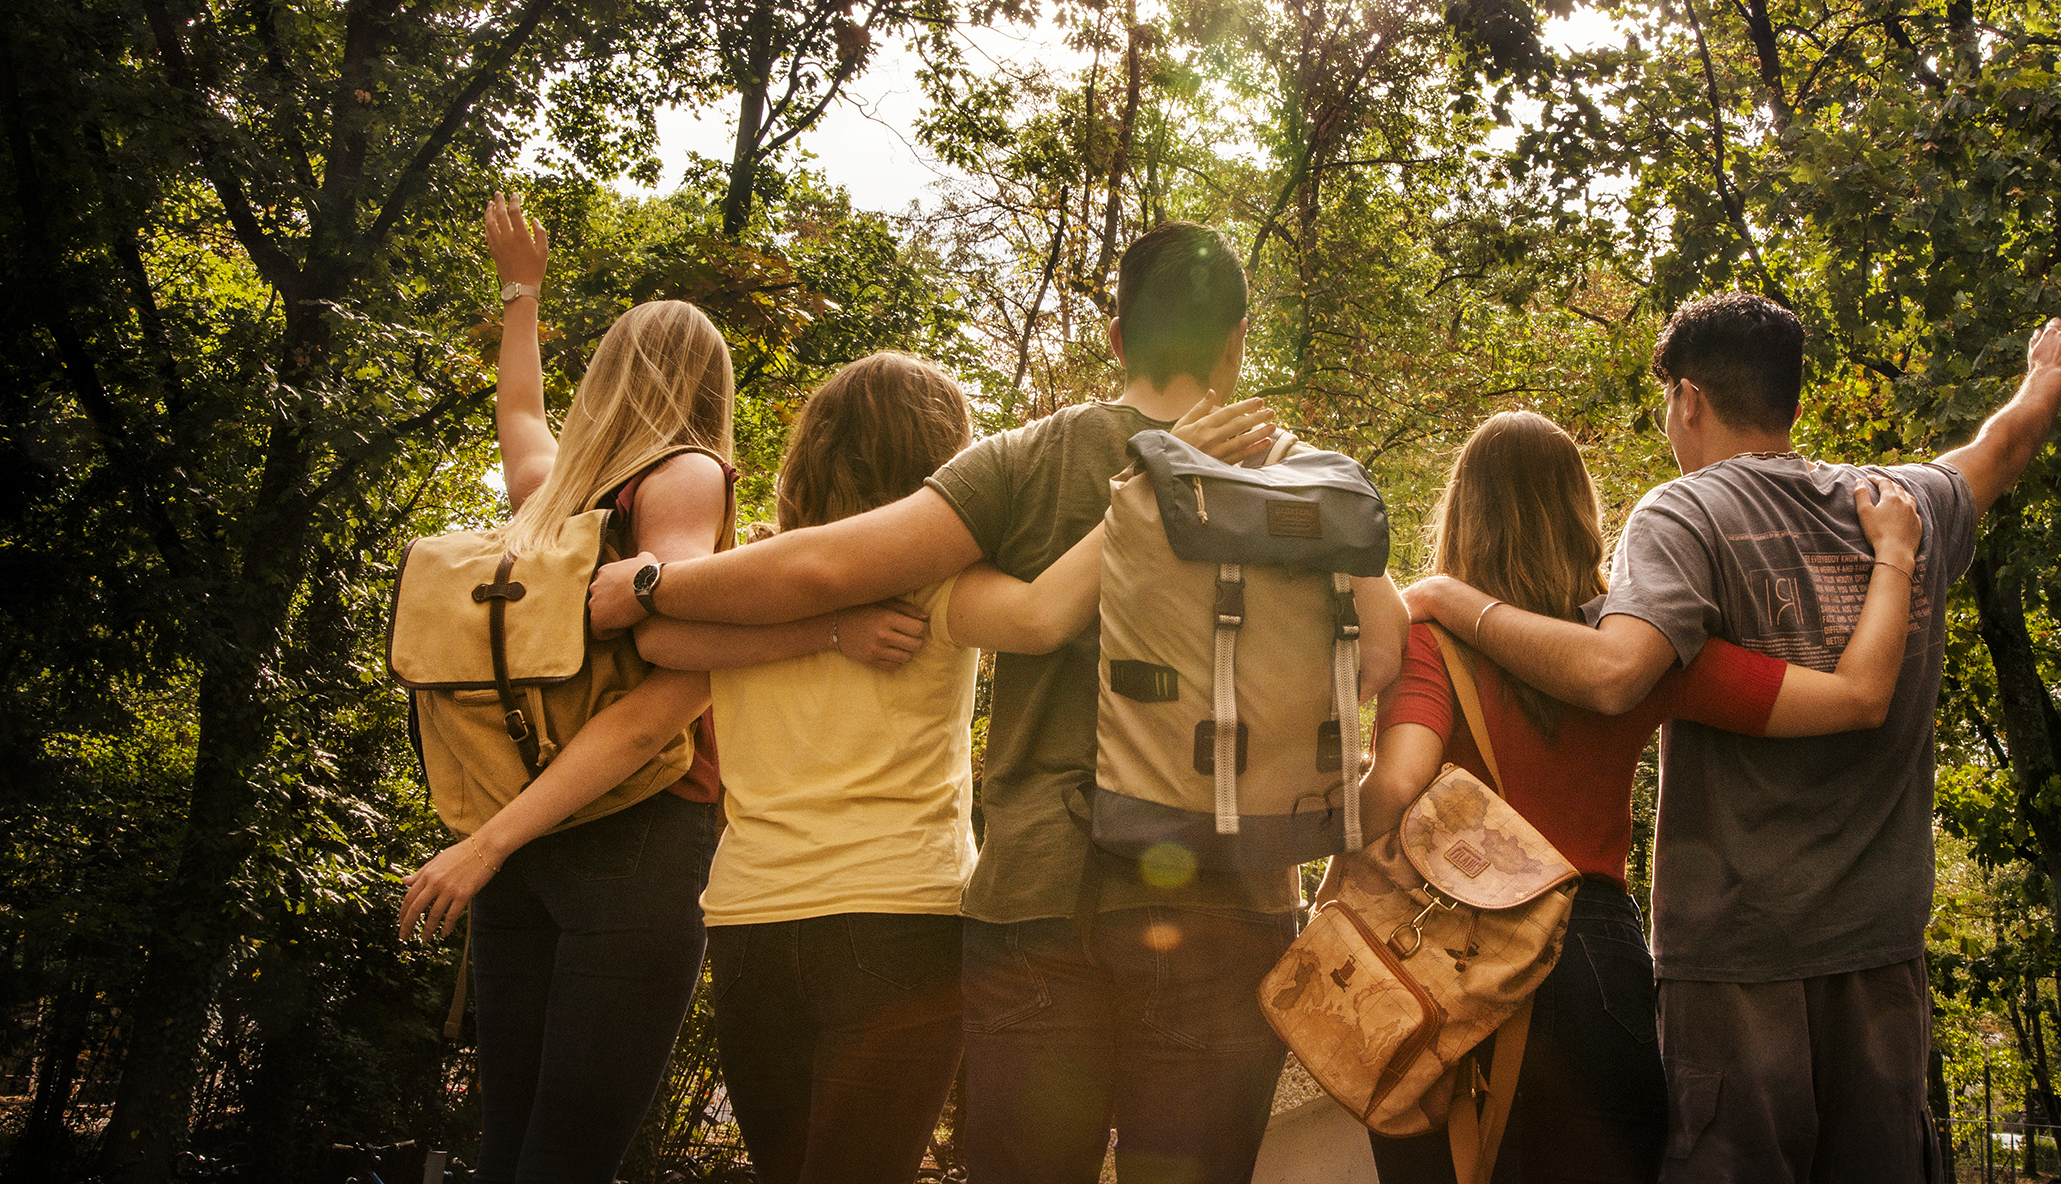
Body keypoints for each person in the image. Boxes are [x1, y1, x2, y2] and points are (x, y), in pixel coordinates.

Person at [587, 221, 1412, 1184]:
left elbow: (826, 562)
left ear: (1115, 337)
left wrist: (651, 586)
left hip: (1039, 899)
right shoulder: (1302, 478)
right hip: (1230, 893)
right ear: (1237, 338)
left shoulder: (1029, 459)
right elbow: (1383, 653)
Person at [1405, 295, 2061, 1183]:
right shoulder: (1901, 505)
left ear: (1689, 398)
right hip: (1882, 953)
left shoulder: (1683, 516)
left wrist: (1446, 596)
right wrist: (2043, 379)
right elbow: (2001, 451)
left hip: (1735, 957)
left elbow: (1616, 672)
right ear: (1791, 399)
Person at [632, 350, 1277, 1184]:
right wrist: (1145, 491)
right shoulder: (939, 584)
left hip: (751, 919)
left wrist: (677, 592)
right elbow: (1044, 618)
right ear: (945, 464)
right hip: (900, 912)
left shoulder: (743, 583)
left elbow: (652, 633)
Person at [398, 196, 914, 1184]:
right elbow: (670, 658)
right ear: (706, 386)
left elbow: (517, 415)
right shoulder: (681, 475)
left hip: (516, 834)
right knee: (567, 1159)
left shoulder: (551, 503)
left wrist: (522, 296)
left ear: (607, 379)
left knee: (507, 1145)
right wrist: (832, 627)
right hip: (629, 842)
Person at [1356, 410, 1926, 1184]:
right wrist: (1893, 557)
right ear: (1583, 517)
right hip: (1596, 968)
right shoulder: (1643, 654)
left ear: (1462, 513)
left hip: (1453, 965)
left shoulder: (1430, 637)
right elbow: (1859, 698)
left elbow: (1397, 782)